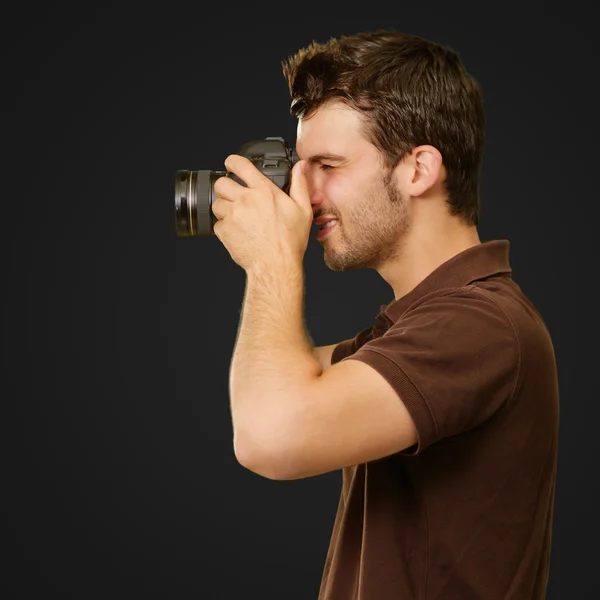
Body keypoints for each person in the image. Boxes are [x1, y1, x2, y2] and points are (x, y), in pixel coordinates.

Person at [210, 29, 559, 600]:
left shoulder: (480, 326)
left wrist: (271, 261)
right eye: (300, 167)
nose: (305, 193)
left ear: (418, 169)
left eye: (327, 164)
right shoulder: (421, 326)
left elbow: (269, 435)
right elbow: (281, 381)